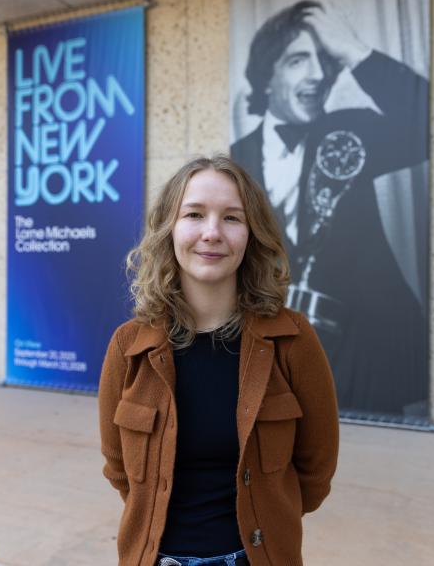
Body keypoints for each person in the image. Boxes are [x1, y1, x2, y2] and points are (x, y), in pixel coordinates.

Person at [98, 155, 340, 566]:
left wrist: (271, 517)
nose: (212, 233)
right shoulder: (128, 347)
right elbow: (120, 470)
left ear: (252, 234)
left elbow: (315, 472)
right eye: (194, 214)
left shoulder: (293, 341)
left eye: (232, 218)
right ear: (169, 229)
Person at [230, 0, 430, 418]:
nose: (318, 76)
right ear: (267, 76)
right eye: (299, 60)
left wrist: (356, 54)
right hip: (275, 359)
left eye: (326, 60)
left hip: (367, 356)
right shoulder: (234, 160)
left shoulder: (350, 130)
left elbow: (427, 121)